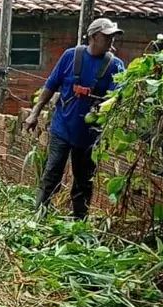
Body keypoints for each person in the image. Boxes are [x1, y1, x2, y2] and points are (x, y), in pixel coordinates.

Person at [23, 18, 127, 220]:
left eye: (113, 36)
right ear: (94, 36)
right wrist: (35, 112)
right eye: (107, 36)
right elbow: (51, 85)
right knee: (52, 172)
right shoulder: (71, 56)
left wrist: (104, 106)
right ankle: (39, 216)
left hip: (90, 134)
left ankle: (79, 221)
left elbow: (117, 96)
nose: (111, 40)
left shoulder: (116, 66)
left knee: (84, 180)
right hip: (62, 127)